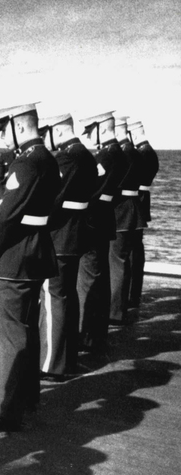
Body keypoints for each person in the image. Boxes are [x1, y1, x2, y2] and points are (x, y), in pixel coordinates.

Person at [0, 102, 60, 432]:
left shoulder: (26, 164)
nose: (3, 137)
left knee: (9, 333)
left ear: (20, 126)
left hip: (14, 257)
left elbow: (4, 219)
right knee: (25, 328)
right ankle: (25, 397)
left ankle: (1, 409)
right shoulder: (47, 160)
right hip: (35, 251)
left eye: (5, 129)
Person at [37, 112, 99, 382]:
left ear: (58, 132)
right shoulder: (85, 155)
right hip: (77, 233)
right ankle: (67, 356)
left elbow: (52, 198)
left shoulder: (66, 158)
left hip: (60, 235)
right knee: (67, 296)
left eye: (47, 133)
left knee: (54, 297)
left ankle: (52, 363)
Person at [75, 111, 125, 355]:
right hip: (103, 221)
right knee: (98, 278)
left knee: (89, 280)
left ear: (102, 128)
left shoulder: (108, 155)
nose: (88, 136)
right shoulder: (114, 153)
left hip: (94, 222)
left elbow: (95, 192)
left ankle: (87, 335)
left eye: (90, 130)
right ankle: (95, 333)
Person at [108, 117, 142, 325]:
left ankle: (115, 311)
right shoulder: (135, 153)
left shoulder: (123, 154)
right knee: (123, 261)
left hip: (120, 211)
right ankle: (121, 305)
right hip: (131, 209)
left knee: (117, 262)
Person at [129, 121, 159, 309]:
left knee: (133, 252)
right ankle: (134, 291)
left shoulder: (143, 154)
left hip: (137, 201)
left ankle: (133, 293)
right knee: (135, 250)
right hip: (140, 201)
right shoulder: (149, 152)